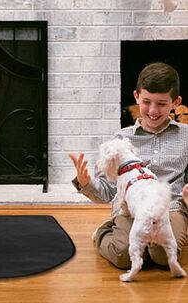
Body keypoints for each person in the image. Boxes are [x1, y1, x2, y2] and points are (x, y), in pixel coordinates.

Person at [69, 62, 188, 269]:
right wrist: (85, 183)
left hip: (169, 208)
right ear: (136, 97)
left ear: (175, 102)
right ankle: (104, 232)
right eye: (146, 102)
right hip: (129, 210)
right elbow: (107, 192)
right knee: (123, 256)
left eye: (161, 104)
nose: (152, 110)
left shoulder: (185, 136)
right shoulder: (120, 140)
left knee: (162, 256)